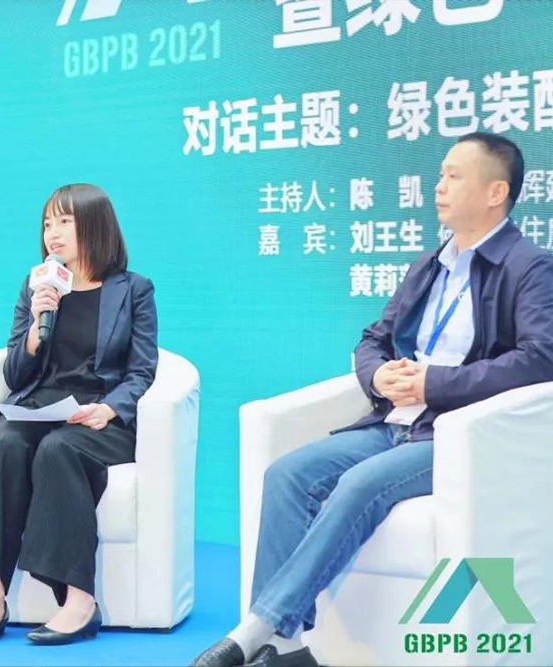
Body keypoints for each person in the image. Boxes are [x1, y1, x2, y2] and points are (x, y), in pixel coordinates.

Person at [193, 132, 553, 667]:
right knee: (287, 474)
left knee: (359, 484)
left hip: (455, 432)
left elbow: (540, 359)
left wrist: (436, 383)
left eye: (454, 176)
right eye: (440, 175)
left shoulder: (529, 266)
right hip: (392, 421)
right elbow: (373, 339)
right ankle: (287, 648)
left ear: (496, 191)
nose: (438, 187)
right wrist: (378, 375)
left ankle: (259, 629)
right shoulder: (429, 265)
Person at [0, 183, 159, 645]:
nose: (53, 233)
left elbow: (142, 370)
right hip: (39, 405)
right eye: (47, 223)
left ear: (95, 225)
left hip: (97, 415)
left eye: (64, 221)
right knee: (5, 443)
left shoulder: (134, 290)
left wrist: (110, 408)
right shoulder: (38, 285)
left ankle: (79, 600)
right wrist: (35, 326)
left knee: (57, 450)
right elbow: (14, 373)